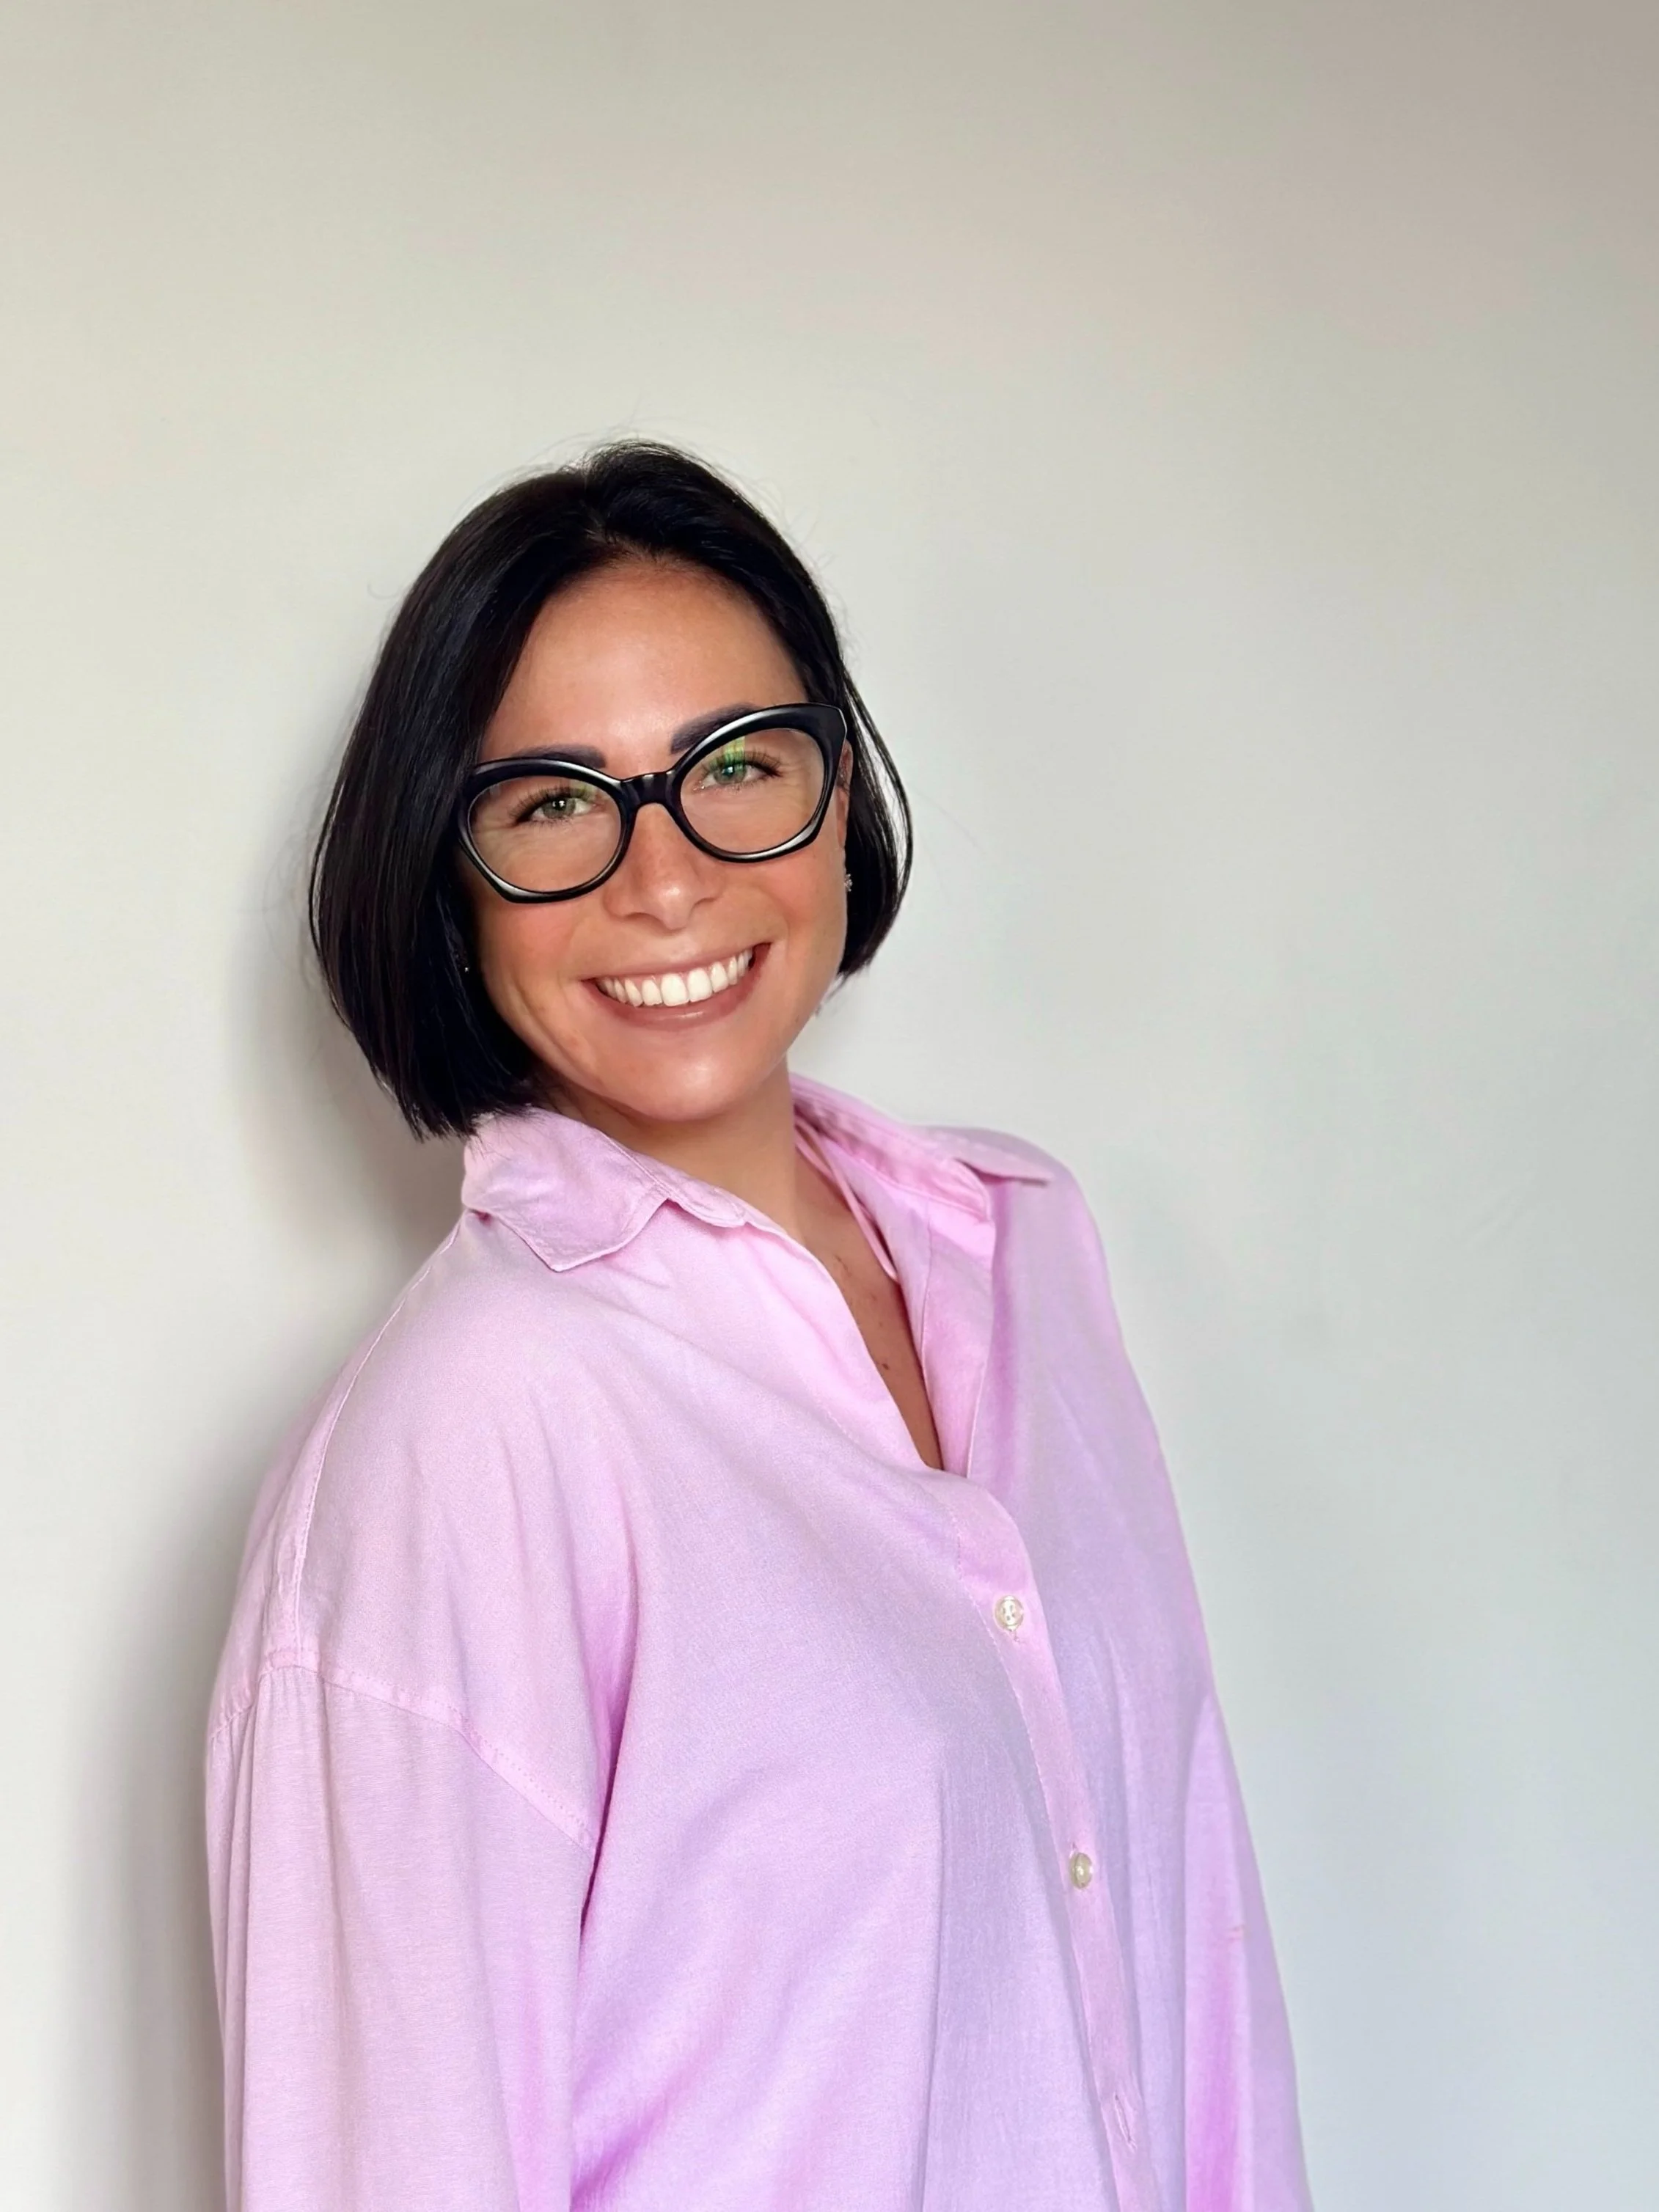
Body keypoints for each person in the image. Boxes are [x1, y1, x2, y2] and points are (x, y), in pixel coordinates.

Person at [204, 441, 1312, 2211]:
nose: (664, 879)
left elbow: (1194, 1972)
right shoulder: (470, 1430)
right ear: (452, 873)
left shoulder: (1024, 1259)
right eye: (554, 801)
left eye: (738, 764)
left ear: (836, 789)